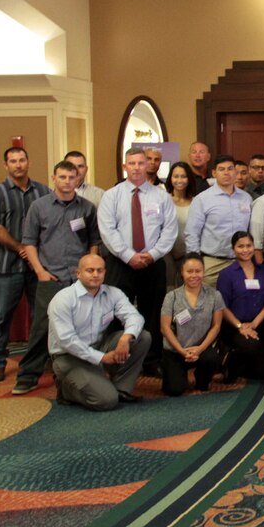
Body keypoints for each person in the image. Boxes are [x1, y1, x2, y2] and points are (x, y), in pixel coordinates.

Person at [13, 160, 101, 395]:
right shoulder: (39, 207)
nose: (67, 181)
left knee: (82, 325)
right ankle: (28, 375)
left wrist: (90, 271)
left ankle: (79, 371)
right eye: (62, 177)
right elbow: (29, 243)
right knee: (42, 326)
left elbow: (93, 242)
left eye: (72, 177)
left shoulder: (87, 208)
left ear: (77, 179)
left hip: (79, 279)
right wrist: (40, 272)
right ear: (54, 178)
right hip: (50, 277)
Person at [98, 147, 178, 375]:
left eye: (141, 163)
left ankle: (151, 361)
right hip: (120, 263)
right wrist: (128, 255)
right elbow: (107, 230)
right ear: (125, 166)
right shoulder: (111, 196)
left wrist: (152, 254)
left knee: (152, 312)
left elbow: (169, 231)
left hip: (153, 263)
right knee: (115, 312)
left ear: (148, 166)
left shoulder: (161, 197)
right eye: (131, 163)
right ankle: (114, 358)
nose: (136, 167)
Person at [47, 254, 151, 410]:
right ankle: (65, 389)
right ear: (78, 273)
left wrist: (126, 337)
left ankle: (120, 389)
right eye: (90, 270)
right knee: (106, 401)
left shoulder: (113, 293)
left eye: (99, 270)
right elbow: (67, 341)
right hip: (68, 356)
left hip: (98, 346)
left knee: (142, 337)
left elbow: (135, 317)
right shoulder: (63, 299)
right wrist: (102, 358)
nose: (95, 274)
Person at [0, 146, 51, 383]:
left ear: (28, 162)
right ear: (6, 165)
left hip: (37, 268)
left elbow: (49, 224)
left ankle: (39, 360)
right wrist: (21, 248)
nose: (18, 165)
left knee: (41, 316)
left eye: (22, 160)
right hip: (6, 266)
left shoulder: (43, 191)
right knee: (0, 317)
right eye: (13, 161)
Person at [158, 255, 225, 395]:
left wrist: (200, 349)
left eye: (198, 271)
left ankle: (201, 379)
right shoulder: (172, 296)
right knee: (174, 390)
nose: (194, 275)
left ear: (203, 271)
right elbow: (164, 328)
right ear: (182, 272)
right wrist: (182, 351)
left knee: (211, 358)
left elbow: (216, 326)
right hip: (176, 351)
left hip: (201, 349)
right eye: (189, 271)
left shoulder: (215, 295)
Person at [184, 154, 253, 285]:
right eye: (222, 169)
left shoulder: (246, 198)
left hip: (240, 262)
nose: (226, 172)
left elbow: (250, 229)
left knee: (239, 303)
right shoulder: (202, 199)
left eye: (230, 168)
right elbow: (192, 233)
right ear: (214, 173)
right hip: (212, 263)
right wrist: (195, 263)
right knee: (208, 303)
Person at [217, 231, 264, 381]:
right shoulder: (226, 274)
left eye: (249, 246)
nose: (245, 250)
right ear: (233, 249)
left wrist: (254, 324)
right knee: (259, 368)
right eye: (240, 246)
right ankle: (230, 359)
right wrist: (241, 326)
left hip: (259, 323)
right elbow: (222, 306)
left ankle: (240, 363)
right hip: (235, 327)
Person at [164, 161, 196, 287]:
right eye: (176, 176)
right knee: (169, 289)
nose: (179, 180)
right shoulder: (164, 200)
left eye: (183, 176)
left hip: (188, 253)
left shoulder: (196, 202)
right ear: (170, 178)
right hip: (167, 254)